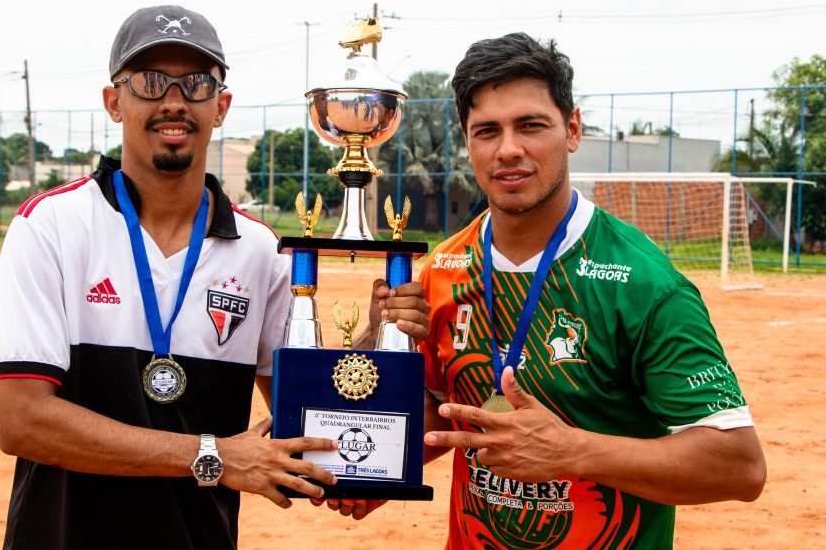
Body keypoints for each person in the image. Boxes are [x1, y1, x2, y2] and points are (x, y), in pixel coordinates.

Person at [0, 4, 429, 550]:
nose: (173, 101)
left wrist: (376, 344)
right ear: (113, 102)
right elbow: (23, 420)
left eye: (195, 84)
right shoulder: (50, 226)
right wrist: (213, 455)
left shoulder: (262, 252)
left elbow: (303, 409)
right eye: (150, 82)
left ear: (220, 107)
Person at [323, 33, 767, 547]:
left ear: (572, 129)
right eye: (487, 131)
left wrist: (570, 451)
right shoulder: (442, 266)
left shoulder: (645, 284)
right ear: (468, 142)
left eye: (531, 126)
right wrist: (373, 467)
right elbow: (443, 406)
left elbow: (739, 465)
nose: (509, 149)